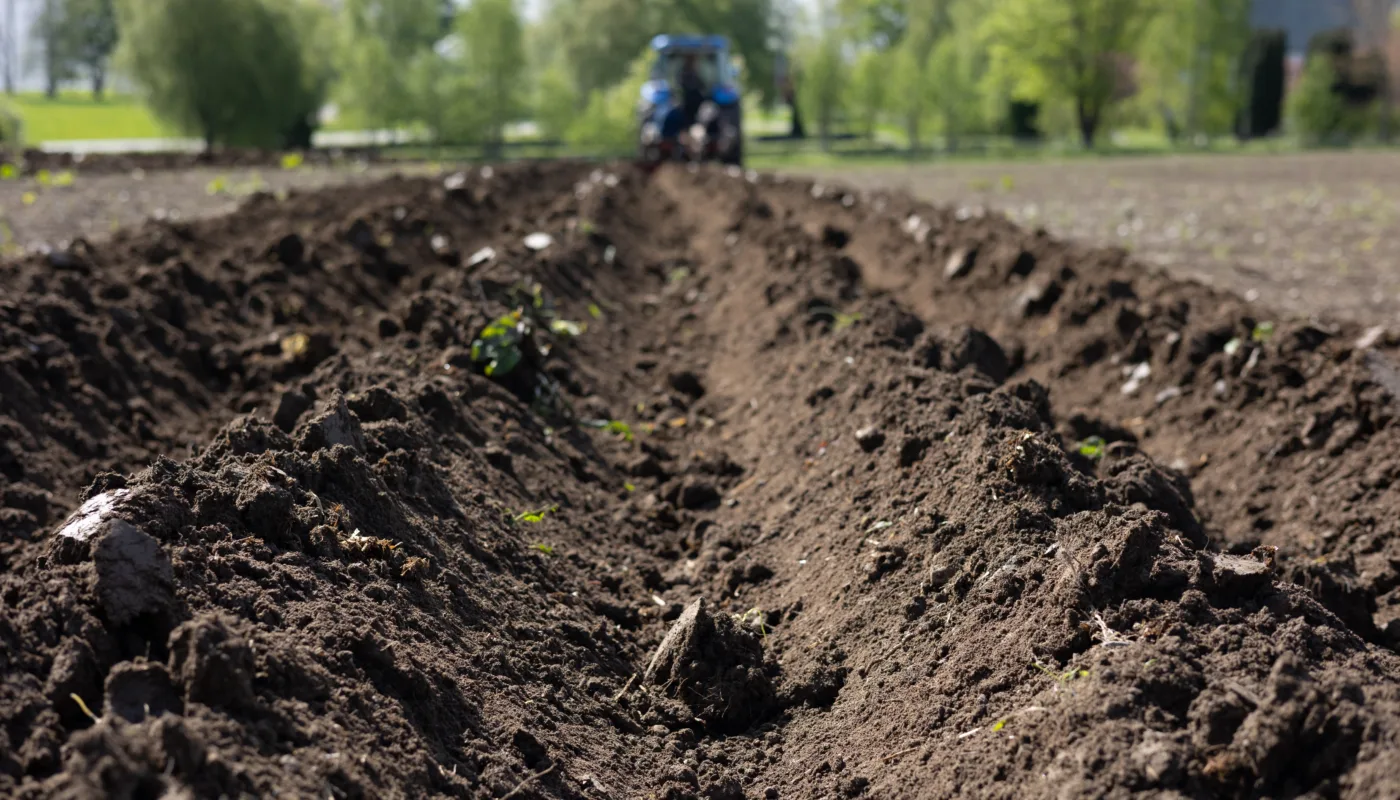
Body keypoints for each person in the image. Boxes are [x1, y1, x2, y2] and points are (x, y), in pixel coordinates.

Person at [677, 53, 708, 129]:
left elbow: (702, 86)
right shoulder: (683, 73)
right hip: (686, 101)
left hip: (698, 101)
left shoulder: (696, 74)